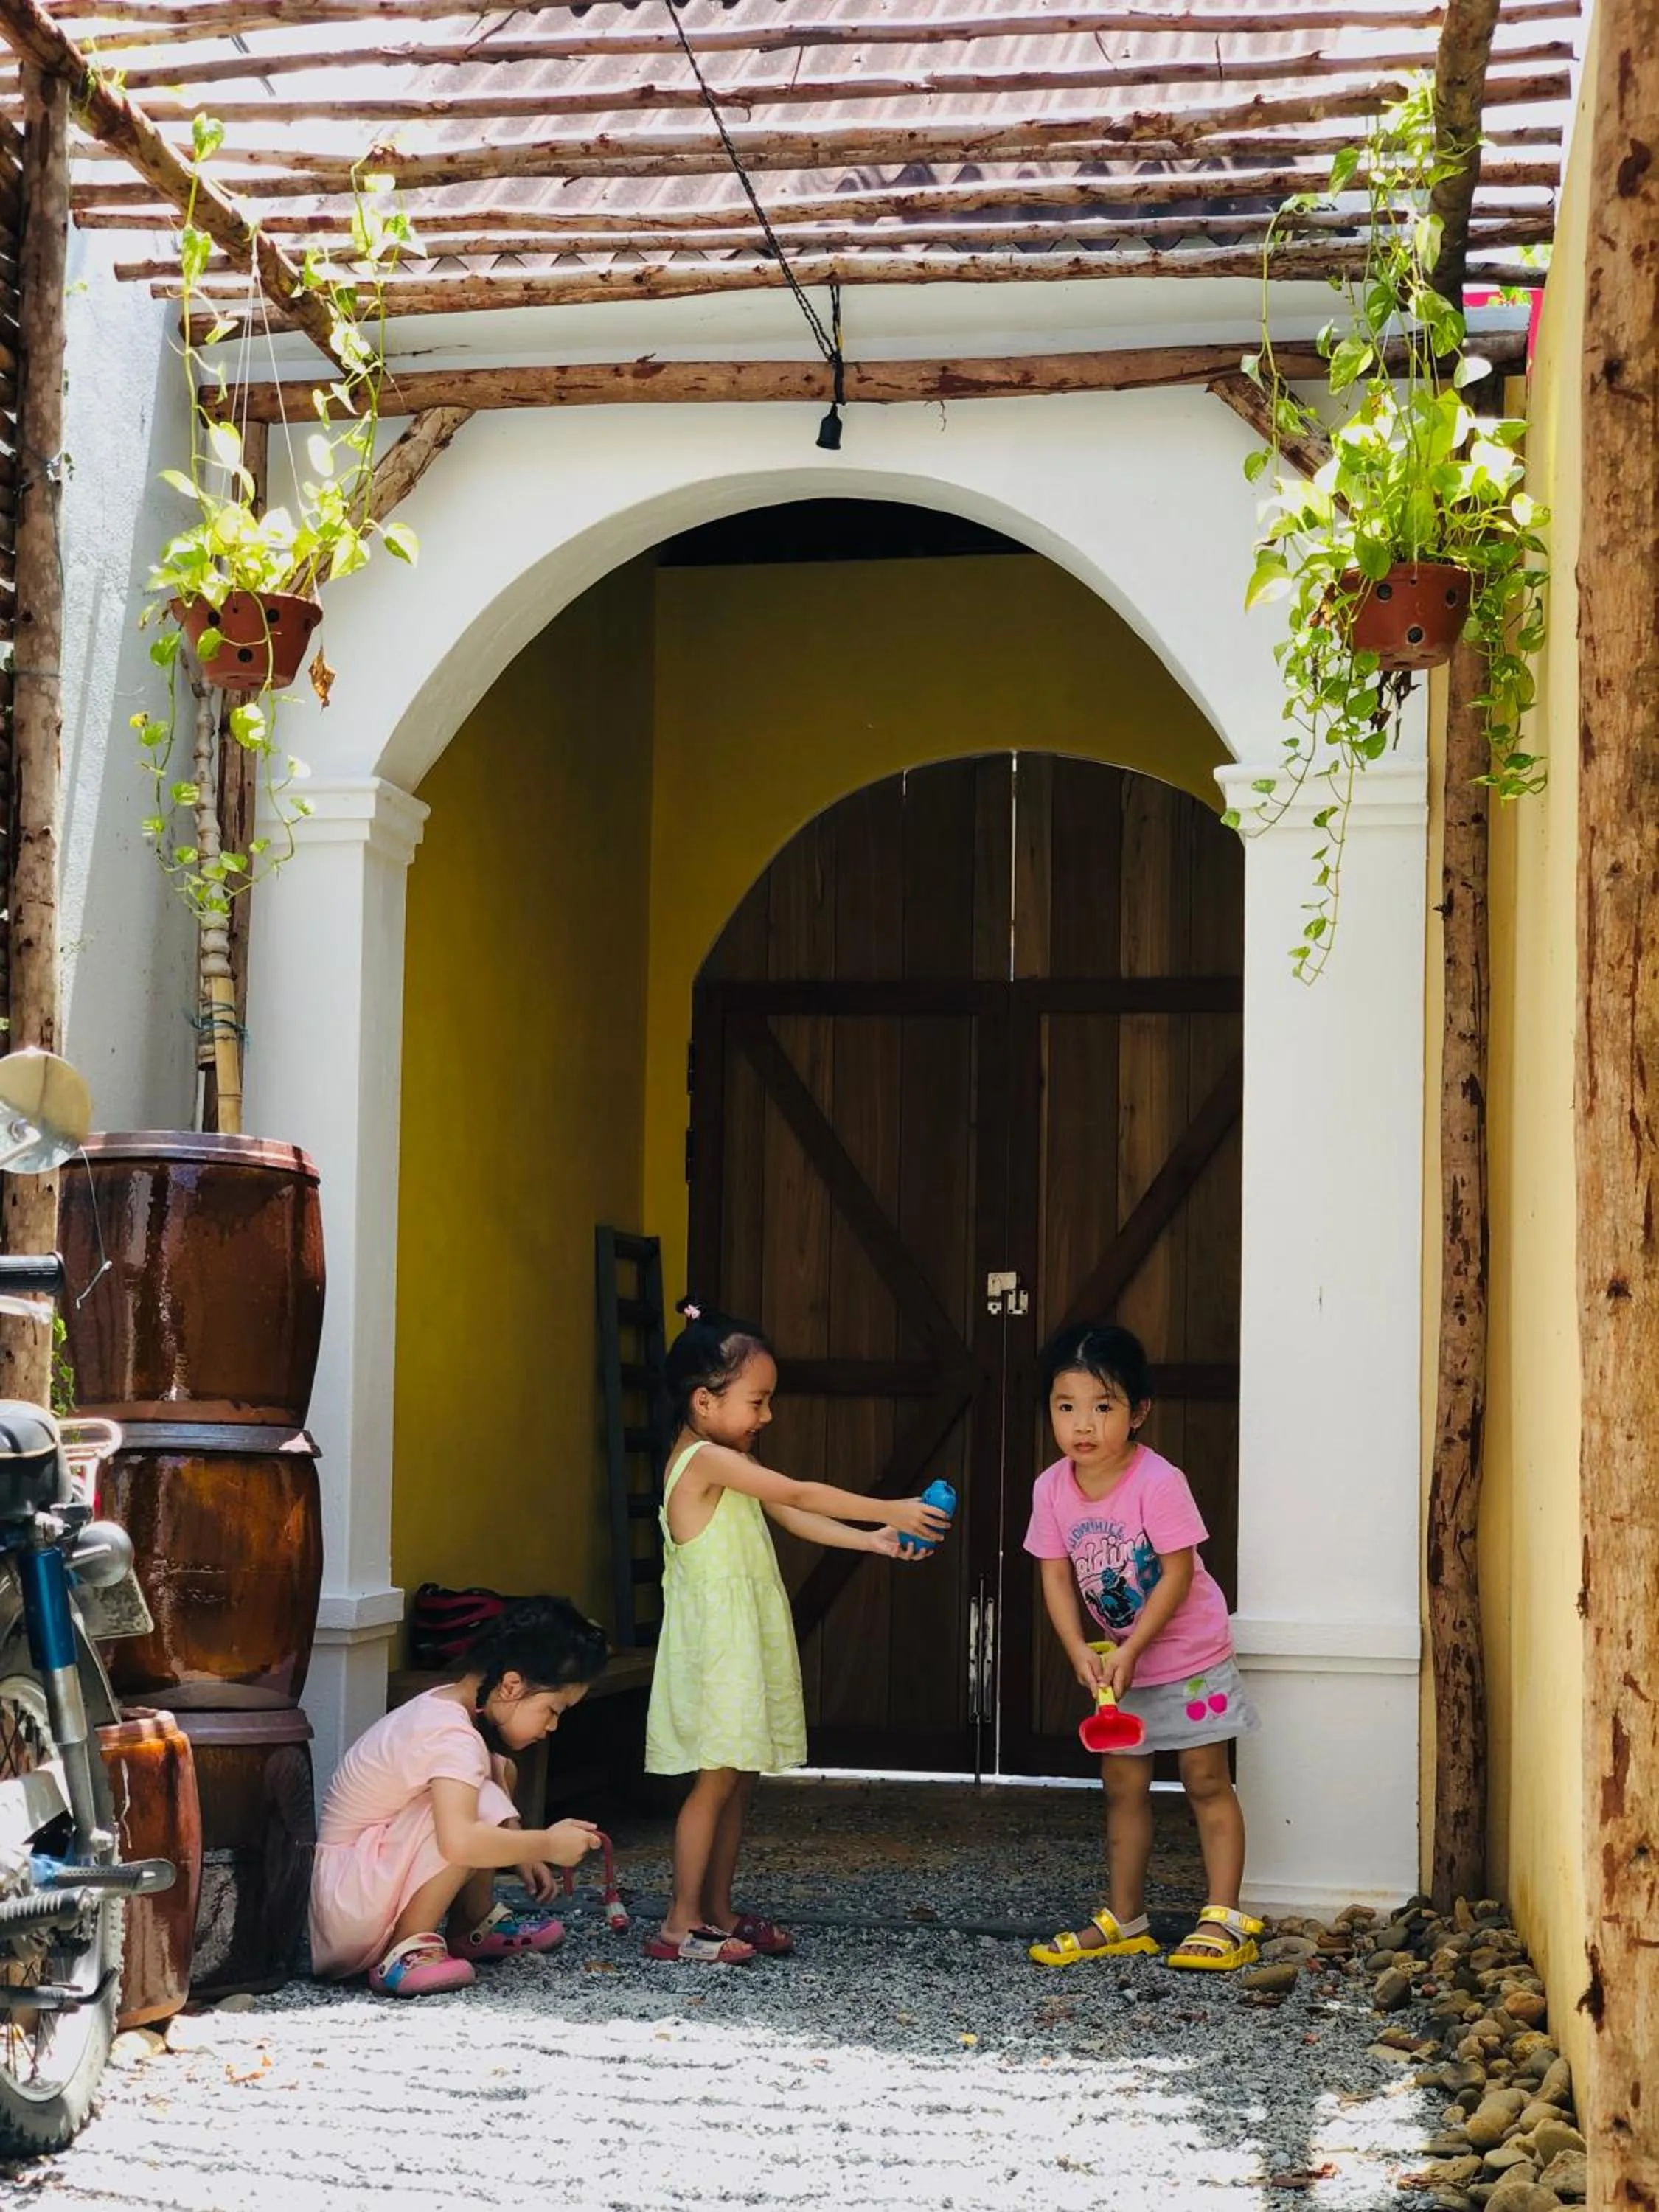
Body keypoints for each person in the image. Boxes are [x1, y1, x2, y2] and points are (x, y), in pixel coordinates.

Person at [643, 1301, 951, 1964]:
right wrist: (891, 1506)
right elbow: (803, 1492)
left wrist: (873, 1540)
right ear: (703, 1400)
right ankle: (680, 1922)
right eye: (758, 1401)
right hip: (717, 1652)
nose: (767, 1416)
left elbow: (793, 1514)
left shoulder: (729, 1462)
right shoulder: (702, 1459)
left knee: (739, 1776)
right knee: (715, 1779)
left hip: (741, 1642)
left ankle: (719, 1911)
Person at [1024, 1320, 1262, 1973]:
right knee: (1122, 1786)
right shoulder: (1051, 1488)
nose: (1083, 1425)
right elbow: (1052, 1570)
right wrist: (1079, 1647)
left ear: (1138, 1412)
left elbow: (1179, 1571)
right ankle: (1126, 1919)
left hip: (1187, 1657)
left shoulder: (1158, 1481)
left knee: (1205, 1780)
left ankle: (1225, 1917)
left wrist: (1133, 1649)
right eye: (1065, 1406)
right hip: (1117, 1665)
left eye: (1104, 1407)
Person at [310, 1595, 609, 1997]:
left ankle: (473, 1921)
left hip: (356, 1893)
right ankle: (405, 1950)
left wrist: (519, 1846)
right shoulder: (451, 1734)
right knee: (470, 1810)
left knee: (496, 1770)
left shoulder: (452, 1710)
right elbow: (459, 1841)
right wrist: (547, 1843)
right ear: (512, 1685)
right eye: (553, 1709)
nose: (553, 1725)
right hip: (349, 1907)